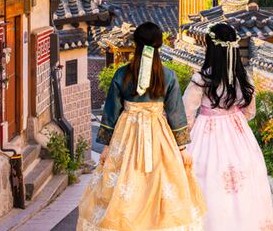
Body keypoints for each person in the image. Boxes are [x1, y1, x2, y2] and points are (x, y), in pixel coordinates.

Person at [77, 22, 205, 231]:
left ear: (135, 44)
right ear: (159, 45)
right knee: (160, 183)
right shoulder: (168, 75)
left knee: (125, 184)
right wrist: (181, 149)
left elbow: (111, 111)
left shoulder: (122, 74)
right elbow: (175, 113)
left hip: (127, 133)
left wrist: (107, 147)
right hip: (159, 134)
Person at [183, 22, 273, 231]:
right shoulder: (243, 77)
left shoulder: (201, 79)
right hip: (239, 134)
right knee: (244, 187)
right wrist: (234, 118)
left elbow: (187, 114)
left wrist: (181, 142)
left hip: (206, 134)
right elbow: (250, 112)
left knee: (207, 183)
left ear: (210, 47)